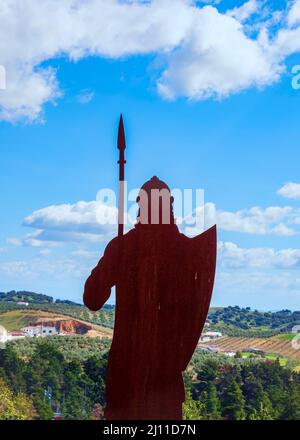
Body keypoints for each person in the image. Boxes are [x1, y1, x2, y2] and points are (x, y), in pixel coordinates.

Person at [83, 176, 216, 420]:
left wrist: (116, 259)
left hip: (127, 371)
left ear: (141, 206)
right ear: (170, 207)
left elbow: (92, 299)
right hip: (165, 375)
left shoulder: (122, 247)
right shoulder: (186, 252)